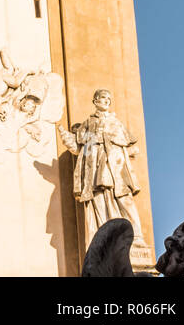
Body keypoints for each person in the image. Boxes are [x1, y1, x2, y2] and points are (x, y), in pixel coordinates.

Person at [59, 88, 143, 245]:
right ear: (95, 101)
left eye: (108, 99)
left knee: (125, 200)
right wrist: (68, 138)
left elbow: (127, 144)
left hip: (117, 170)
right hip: (97, 170)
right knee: (100, 201)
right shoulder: (88, 124)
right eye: (103, 98)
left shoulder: (116, 123)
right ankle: (104, 236)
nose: (106, 101)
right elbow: (84, 150)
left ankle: (135, 235)